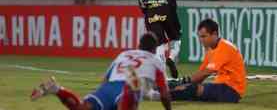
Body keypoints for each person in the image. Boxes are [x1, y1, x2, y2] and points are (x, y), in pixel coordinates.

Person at [30, 32, 172, 110]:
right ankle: (131, 89)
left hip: (109, 87)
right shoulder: (156, 61)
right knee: (131, 95)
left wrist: (100, 94)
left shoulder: (124, 54)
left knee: (82, 108)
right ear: (154, 50)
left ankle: (56, 89)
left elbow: (105, 79)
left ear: (138, 46)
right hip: (127, 87)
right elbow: (165, 94)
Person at [169, 18, 247, 103]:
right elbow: (201, 72)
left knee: (192, 89)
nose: (201, 40)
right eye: (199, 37)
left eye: (204, 36)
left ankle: (163, 95)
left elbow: (206, 73)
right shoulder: (211, 49)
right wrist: (186, 84)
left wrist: (185, 82)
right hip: (222, 87)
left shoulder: (224, 47)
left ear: (214, 34)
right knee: (189, 89)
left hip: (232, 91)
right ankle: (165, 92)